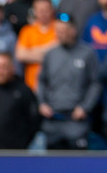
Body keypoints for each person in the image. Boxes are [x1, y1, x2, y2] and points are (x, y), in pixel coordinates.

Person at [36, 19, 101, 150]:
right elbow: (41, 80)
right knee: (52, 163)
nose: (59, 34)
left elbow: (96, 83)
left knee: (78, 163)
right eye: (57, 31)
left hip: (76, 119)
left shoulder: (87, 53)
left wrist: (85, 107)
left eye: (63, 31)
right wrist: (42, 103)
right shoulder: (50, 54)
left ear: (73, 31)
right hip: (53, 119)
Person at [0, 51, 41, 150]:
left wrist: (22, 143)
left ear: (12, 68)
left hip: (15, 152)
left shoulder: (24, 91)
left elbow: (34, 122)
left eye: (3, 67)